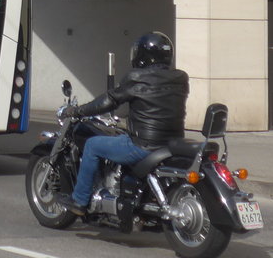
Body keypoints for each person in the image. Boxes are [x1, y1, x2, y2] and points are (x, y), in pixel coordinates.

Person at [60, 31, 189, 218]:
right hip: (172, 144)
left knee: (92, 145)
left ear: (143, 55)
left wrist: (79, 111)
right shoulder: (180, 78)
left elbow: (109, 100)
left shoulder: (136, 77)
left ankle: (79, 200)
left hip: (142, 145)